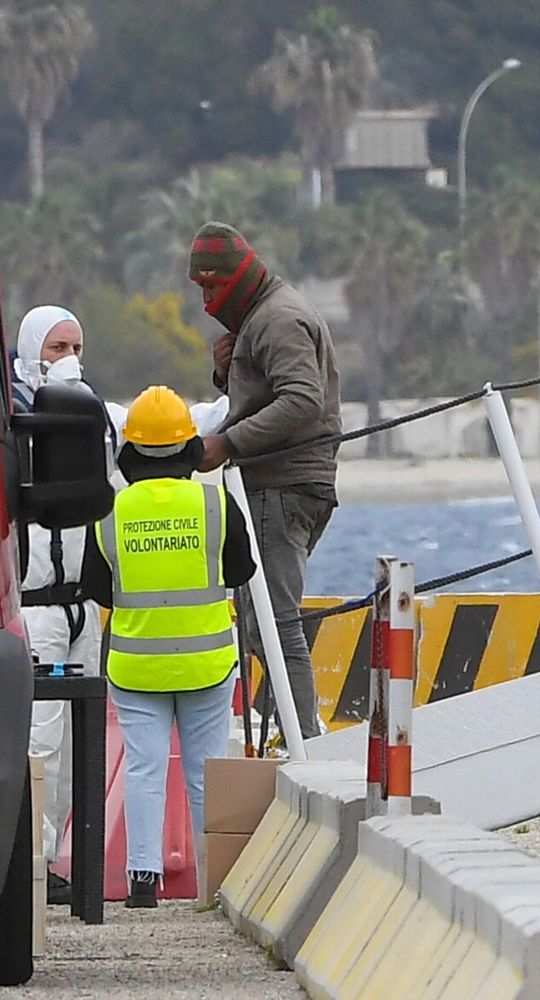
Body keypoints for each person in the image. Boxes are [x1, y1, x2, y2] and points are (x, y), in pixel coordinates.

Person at [81, 385, 256, 908]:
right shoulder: (215, 501)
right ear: (190, 450)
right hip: (207, 660)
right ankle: (212, 883)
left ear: (129, 451)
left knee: (144, 769)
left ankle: (141, 881)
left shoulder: (110, 510)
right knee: (206, 772)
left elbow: (95, 585)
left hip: (136, 666)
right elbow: (242, 570)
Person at [187, 221, 341, 744]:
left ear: (237, 279)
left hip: (283, 484)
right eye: (200, 288)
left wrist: (225, 445)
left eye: (212, 287)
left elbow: (302, 400)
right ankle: (294, 736)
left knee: (275, 623)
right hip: (287, 483)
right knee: (259, 623)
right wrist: (225, 373)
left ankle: (306, 746)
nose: (207, 300)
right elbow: (269, 393)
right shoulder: (263, 317)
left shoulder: (277, 318)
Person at [11, 305, 114, 906]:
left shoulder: (95, 417)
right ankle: (32, 863)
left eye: (76, 345)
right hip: (36, 607)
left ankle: (59, 859)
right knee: (38, 741)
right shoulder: (15, 420)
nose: (68, 358)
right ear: (31, 351)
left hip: (82, 608)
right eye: (56, 348)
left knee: (79, 753)